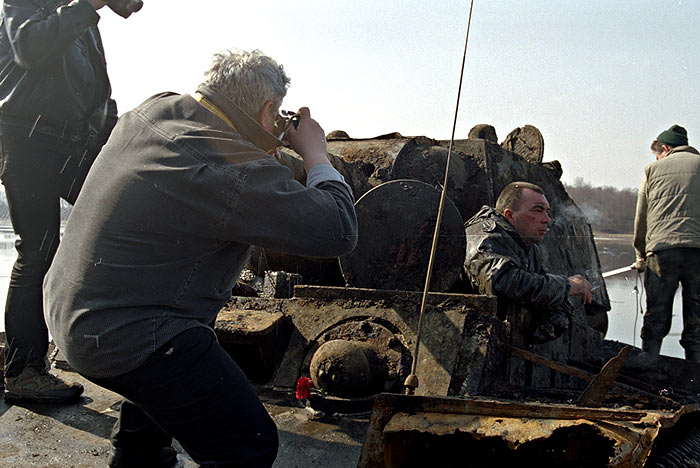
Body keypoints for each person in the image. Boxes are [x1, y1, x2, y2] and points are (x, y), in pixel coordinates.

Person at [43, 49, 358, 467]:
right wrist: (316, 152)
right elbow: (337, 229)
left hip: (72, 313)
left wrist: (259, 144)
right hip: (131, 335)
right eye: (277, 116)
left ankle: (139, 456)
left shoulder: (155, 110)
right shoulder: (232, 171)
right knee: (249, 443)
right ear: (268, 109)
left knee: (154, 414)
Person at [0, 0, 119, 403]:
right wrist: (88, 5)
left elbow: (99, 91)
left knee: (120, 222)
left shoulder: (83, 23)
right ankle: (24, 371)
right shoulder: (22, 5)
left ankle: (107, 342)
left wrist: (118, 144)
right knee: (37, 251)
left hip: (73, 141)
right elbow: (30, 49)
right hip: (24, 140)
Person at [463, 181, 593, 344]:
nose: (547, 219)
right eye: (538, 210)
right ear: (509, 215)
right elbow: (502, 282)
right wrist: (566, 286)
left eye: (547, 212)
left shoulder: (527, 245)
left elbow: (542, 284)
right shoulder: (484, 237)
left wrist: (559, 306)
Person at [632, 125, 700, 363]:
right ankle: (695, 375)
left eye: (658, 153)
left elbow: (641, 219)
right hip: (698, 253)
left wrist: (640, 254)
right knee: (697, 319)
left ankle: (649, 365)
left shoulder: (652, 170)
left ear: (664, 148)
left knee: (656, 316)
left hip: (661, 252)